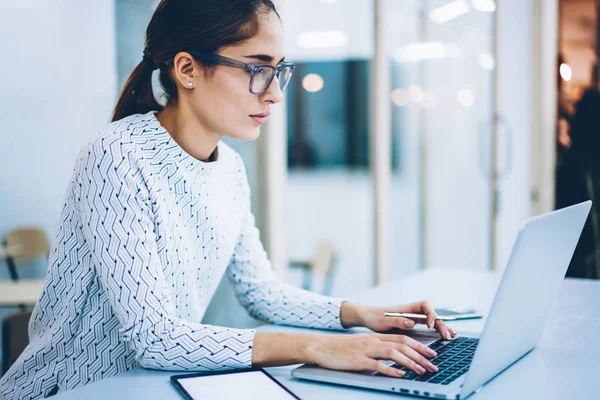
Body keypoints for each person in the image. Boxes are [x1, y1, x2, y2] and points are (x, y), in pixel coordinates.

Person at [0, 1, 455, 398]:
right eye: (258, 69)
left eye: (279, 71)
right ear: (187, 69)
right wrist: (317, 346)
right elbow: (154, 337)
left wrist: (362, 315)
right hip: (68, 391)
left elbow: (262, 294)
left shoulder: (230, 168)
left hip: (151, 388)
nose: (275, 94)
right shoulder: (117, 156)